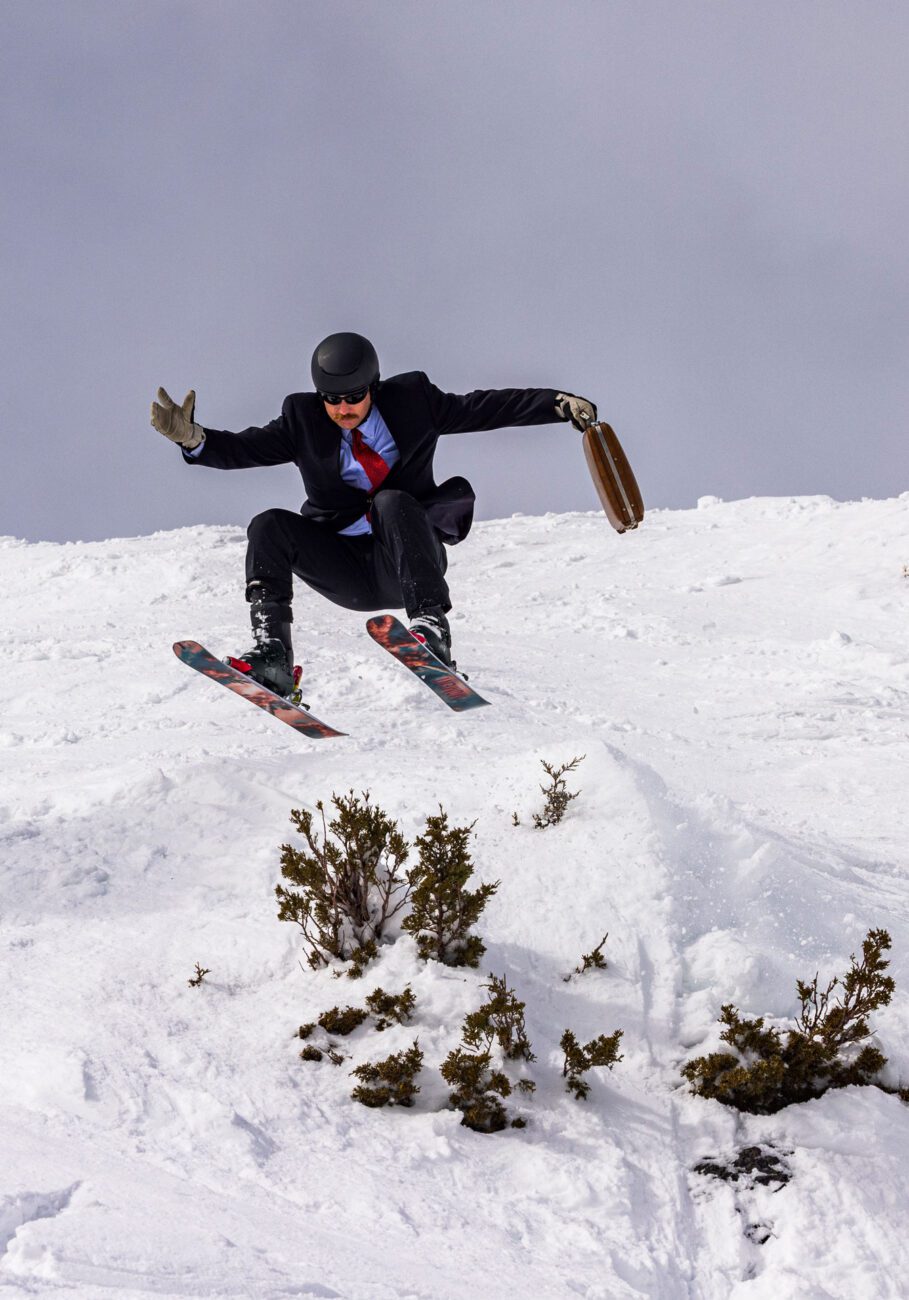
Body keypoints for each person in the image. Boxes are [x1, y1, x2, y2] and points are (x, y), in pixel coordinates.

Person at [151, 332, 597, 696]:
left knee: (392, 500)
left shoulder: (414, 402)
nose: (343, 409)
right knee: (269, 523)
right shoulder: (301, 420)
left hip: (406, 561)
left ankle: (431, 630)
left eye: (353, 397)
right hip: (344, 567)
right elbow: (245, 447)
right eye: (332, 399)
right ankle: (273, 658)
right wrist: (194, 439)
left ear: (374, 388)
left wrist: (556, 403)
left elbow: (485, 406)